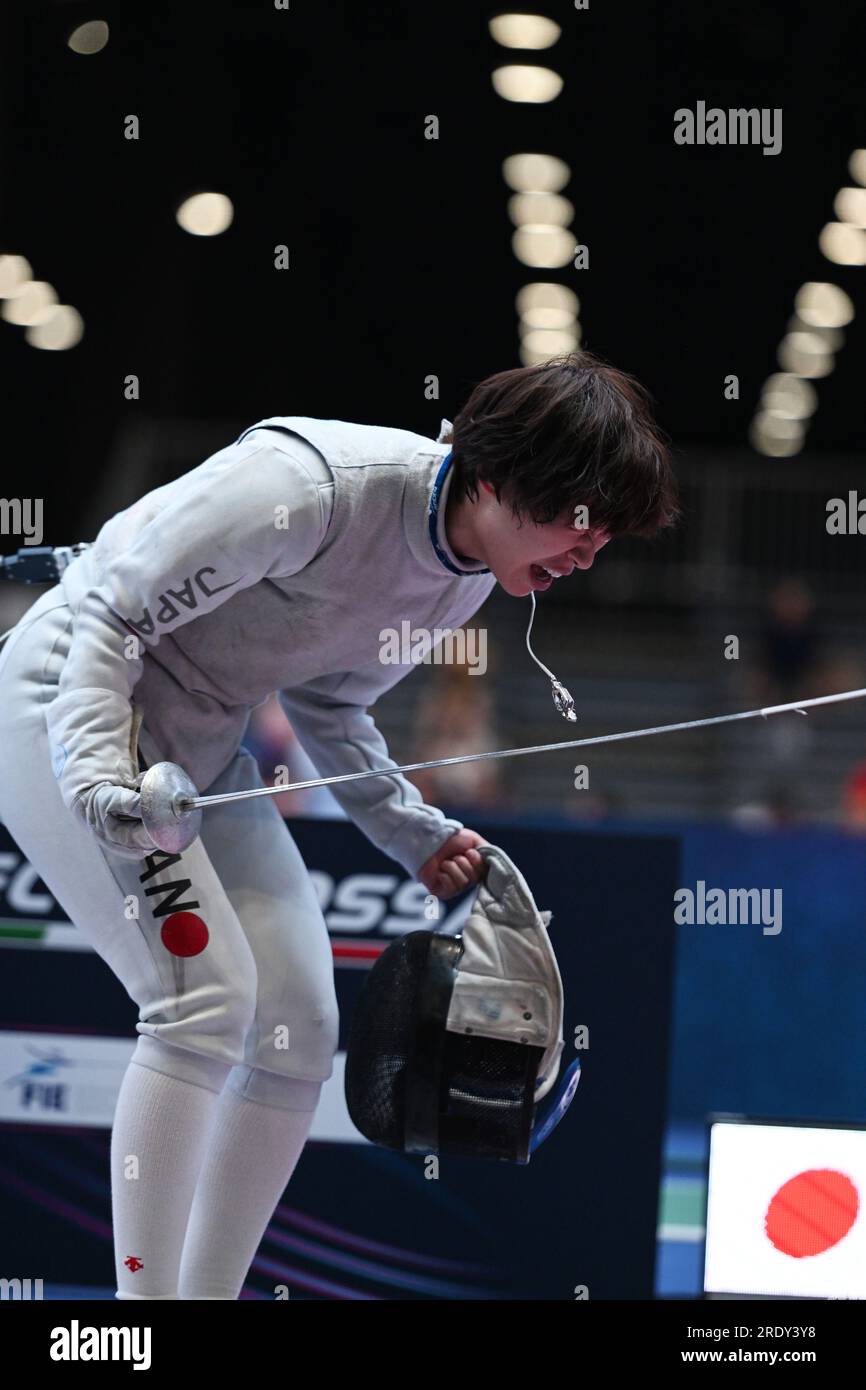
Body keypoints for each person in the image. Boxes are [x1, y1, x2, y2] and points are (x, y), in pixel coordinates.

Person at [0, 349, 678, 1300]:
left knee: (301, 1027)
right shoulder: (310, 486)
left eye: (602, 539)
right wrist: (100, 781)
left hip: (196, 755)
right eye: (576, 526)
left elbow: (329, 708)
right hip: (63, 703)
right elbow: (110, 610)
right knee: (205, 998)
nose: (586, 554)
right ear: (495, 476)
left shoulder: (467, 576)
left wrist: (415, 833)